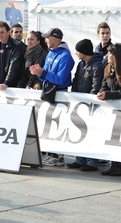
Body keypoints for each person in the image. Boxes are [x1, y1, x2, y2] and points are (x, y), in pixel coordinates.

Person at [30, 28, 75, 167]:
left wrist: (43, 72)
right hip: (49, 93)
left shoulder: (66, 56)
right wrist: (39, 73)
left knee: (58, 125)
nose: (45, 40)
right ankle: (50, 154)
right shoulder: (51, 53)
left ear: (54, 39)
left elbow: (61, 80)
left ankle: (59, 156)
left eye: (47, 38)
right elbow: (46, 75)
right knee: (48, 124)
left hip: (60, 95)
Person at [66, 39, 104, 171]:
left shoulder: (97, 65)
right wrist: (75, 97)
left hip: (91, 105)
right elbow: (76, 81)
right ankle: (80, 159)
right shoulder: (81, 64)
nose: (76, 53)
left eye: (78, 50)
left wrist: (89, 102)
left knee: (91, 132)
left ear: (84, 51)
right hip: (80, 103)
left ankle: (92, 161)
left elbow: (96, 85)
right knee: (79, 131)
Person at [97, 43, 121, 176]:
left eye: (110, 53)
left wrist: (109, 95)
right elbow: (104, 85)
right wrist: (102, 93)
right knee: (113, 137)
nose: (108, 55)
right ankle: (114, 164)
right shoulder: (108, 68)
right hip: (113, 109)